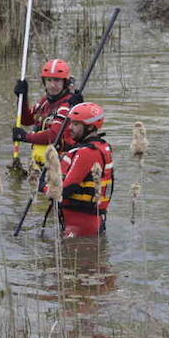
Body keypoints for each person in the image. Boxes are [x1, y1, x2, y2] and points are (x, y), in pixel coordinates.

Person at [55, 102, 113, 238]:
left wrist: (44, 186)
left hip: (80, 226)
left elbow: (64, 190)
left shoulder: (87, 152)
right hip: (92, 221)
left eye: (76, 124)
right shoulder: (103, 146)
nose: (70, 128)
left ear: (90, 127)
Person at [12, 58, 84, 168]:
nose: (52, 85)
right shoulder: (45, 101)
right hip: (42, 163)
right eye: (49, 80)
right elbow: (26, 120)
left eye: (57, 80)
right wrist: (22, 98)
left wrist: (25, 137)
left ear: (65, 83)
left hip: (60, 165)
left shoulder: (68, 105)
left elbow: (54, 136)